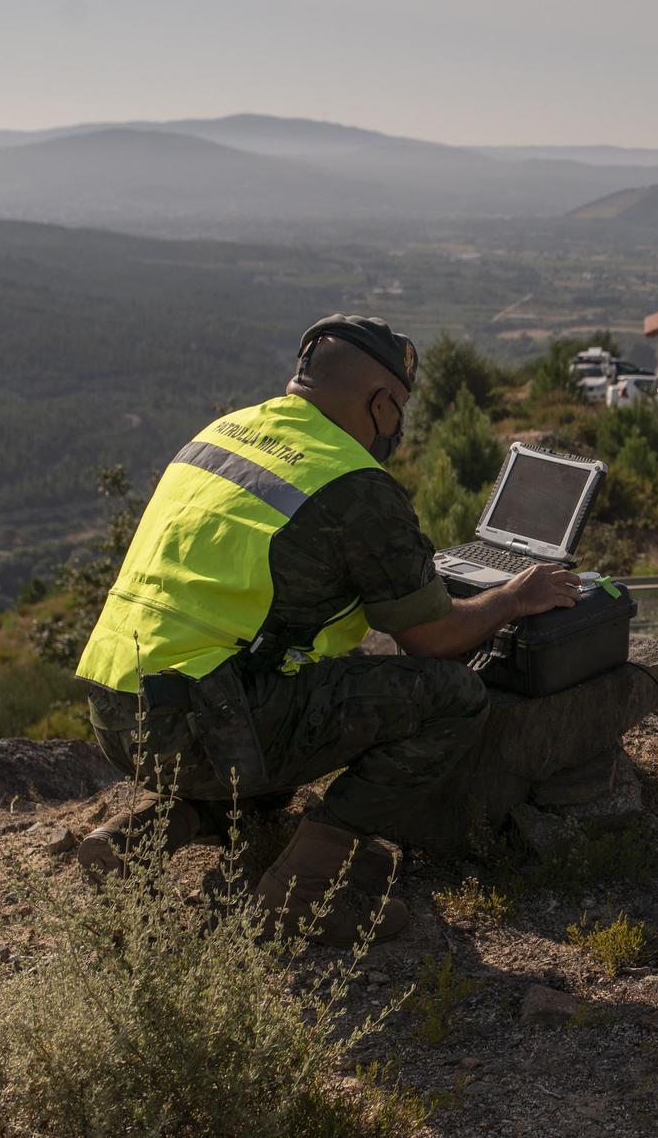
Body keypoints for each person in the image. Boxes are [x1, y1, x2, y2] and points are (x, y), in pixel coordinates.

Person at [73, 316, 585, 945]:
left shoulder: (224, 432)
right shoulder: (353, 481)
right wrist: (513, 596)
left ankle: (135, 841)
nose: (396, 429)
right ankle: (302, 894)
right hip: (210, 723)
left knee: (282, 703)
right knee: (452, 697)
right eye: (397, 412)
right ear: (380, 403)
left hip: (116, 709)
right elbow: (431, 640)